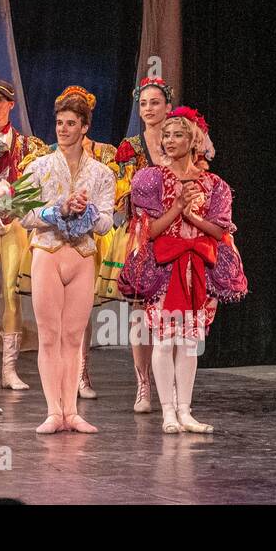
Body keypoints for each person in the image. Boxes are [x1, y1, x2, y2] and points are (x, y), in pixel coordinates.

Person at [129, 108, 241, 434]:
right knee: (165, 341)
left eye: (178, 134)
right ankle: (167, 411)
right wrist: (178, 207)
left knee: (190, 342)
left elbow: (220, 231)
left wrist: (192, 218)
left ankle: (185, 410)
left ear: (192, 139)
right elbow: (147, 231)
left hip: (198, 270)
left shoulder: (213, 184)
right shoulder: (152, 179)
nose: (170, 140)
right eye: (166, 135)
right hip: (166, 267)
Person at [20, 87, 115, 434]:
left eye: (70, 123)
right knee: (49, 335)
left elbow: (107, 222)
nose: (62, 129)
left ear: (84, 127)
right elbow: (24, 214)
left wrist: (86, 211)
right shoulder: (40, 167)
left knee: (73, 337)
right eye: (59, 122)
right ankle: (52, 412)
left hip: (82, 255)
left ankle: (71, 411)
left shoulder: (103, 173)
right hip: (47, 251)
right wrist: (56, 209)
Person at [0, 77, 46, 392]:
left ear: (11, 105)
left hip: (14, 221)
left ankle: (10, 370)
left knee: (12, 292)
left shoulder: (26, 145)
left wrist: (14, 205)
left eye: (1, 100)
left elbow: (34, 184)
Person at [106, 76, 173, 413]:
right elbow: (121, 192)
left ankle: (171, 382)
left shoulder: (180, 138)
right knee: (139, 311)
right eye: (143, 103)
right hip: (142, 233)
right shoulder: (130, 147)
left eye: (155, 103)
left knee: (174, 309)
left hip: (177, 232)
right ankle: (143, 384)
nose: (148, 109)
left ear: (168, 107)